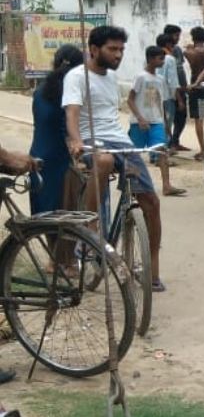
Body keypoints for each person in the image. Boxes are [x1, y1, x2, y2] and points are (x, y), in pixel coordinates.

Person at [63, 26, 166, 291]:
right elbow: (72, 114)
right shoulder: (76, 77)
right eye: (112, 49)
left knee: (151, 202)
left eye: (121, 49)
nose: (118, 54)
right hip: (91, 141)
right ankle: (91, 227)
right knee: (105, 161)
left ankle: (152, 268)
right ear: (94, 49)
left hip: (121, 143)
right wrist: (75, 140)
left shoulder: (111, 78)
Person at [29, 44, 82, 215]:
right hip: (61, 160)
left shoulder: (39, 90)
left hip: (38, 155)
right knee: (66, 219)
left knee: (45, 217)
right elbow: (68, 130)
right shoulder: (70, 92)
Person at [127, 46, 185, 197]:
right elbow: (130, 100)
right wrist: (140, 118)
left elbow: (160, 103)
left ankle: (166, 185)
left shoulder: (160, 80)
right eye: (160, 59)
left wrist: (165, 124)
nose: (162, 62)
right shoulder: (140, 77)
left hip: (157, 121)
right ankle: (133, 185)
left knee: (162, 153)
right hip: (139, 123)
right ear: (151, 59)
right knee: (135, 155)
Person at [184, 26, 204, 161]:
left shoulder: (189, 53)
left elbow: (186, 50)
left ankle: (203, 149)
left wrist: (190, 47)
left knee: (198, 119)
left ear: (193, 37)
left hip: (195, 86)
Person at [164, 24, 189, 151]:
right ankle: (167, 145)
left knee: (181, 117)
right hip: (170, 91)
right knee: (168, 118)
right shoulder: (162, 53)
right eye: (176, 35)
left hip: (180, 89)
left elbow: (181, 69)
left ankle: (175, 141)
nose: (178, 38)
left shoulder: (177, 50)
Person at [156, 32, 183, 152]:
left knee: (156, 124)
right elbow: (173, 82)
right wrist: (180, 100)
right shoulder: (170, 59)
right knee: (166, 125)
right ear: (168, 45)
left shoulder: (151, 56)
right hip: (167, 96)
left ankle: (155, 153)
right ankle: (163, 154)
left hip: (153, 95)